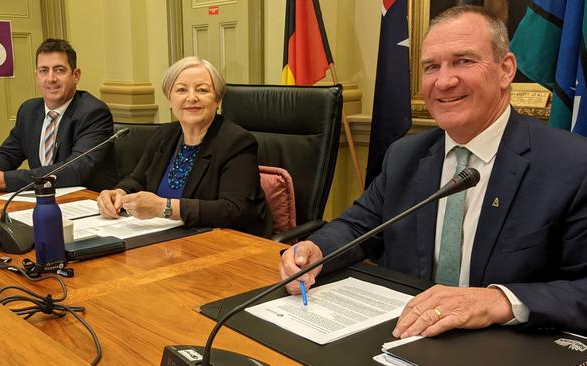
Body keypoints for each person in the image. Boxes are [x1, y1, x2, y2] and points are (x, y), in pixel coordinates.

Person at [280, 5, 587, 338]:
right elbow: (358, 226)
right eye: (431, 67)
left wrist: (498, 300)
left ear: (506, 69)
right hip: (403, 339)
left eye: (464, 61)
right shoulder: (405, 155)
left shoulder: (570, 164)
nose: (444, 80)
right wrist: (315, 250)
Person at [96, 57, 273, 237]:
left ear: (217, 100)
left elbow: (234, 210)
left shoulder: (237, 142)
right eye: (181, 90)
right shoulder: (164, 136)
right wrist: (118, 192)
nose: (191, 98)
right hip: (166, 238)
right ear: (170, 99)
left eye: (202, 90)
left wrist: (164, 207)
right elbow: (137, 179)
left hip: (221, 242)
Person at [0, 38, 116, 192]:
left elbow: (75, 169)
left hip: (86, 201)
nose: (51, 78)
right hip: (43, 198)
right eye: (44, 71)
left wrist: (5, 180)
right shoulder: (29, 110)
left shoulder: (93, 112)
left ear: (76, 75)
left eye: (59, 70)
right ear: (37, 76)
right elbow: (8, 154)